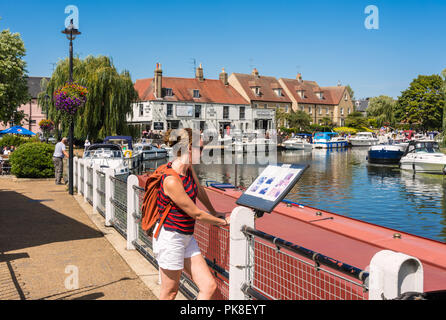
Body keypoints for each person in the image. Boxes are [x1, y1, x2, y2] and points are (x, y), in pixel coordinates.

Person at [153, 128, 230, 300]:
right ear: (188, 148)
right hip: (170, 238)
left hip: (187, 237)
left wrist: (214, 211)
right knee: (170, 293)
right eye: (199, 148)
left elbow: (199, 190)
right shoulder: (171, 179)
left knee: (209, 287)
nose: (202, 151)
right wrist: (224, 222)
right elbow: (196, 213)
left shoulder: (188, 170)